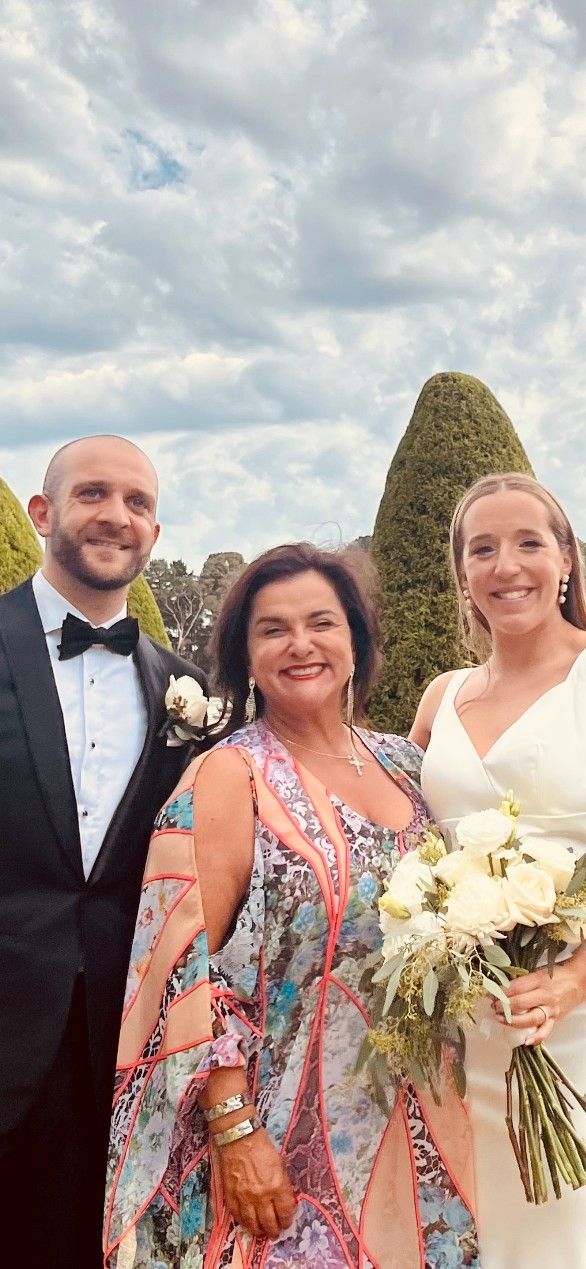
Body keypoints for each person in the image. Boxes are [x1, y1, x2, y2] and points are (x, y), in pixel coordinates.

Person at [105, 542, 479, 1269]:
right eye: (272, 629)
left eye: (321, 622)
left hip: (421, 1133)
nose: (301, 643)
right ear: (245, 654)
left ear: (357, 640)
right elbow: (184, 972)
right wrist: (235, 1129)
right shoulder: (228, 776)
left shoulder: (406, 765)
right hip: (279, 1144)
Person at [0, 435, 207, 1269]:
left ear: (155, 532)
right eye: (92, 494)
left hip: (125, 1048)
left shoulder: (188, 689)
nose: (116, 515)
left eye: (138, 502)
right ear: (41, 512)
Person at [410, 472, 586, 1267]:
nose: (505, 565)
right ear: (462, 575)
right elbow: (403, 842)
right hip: (460, 1034)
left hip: (571, 1023)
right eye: (483, 548)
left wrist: (578, 976)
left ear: (566, 562)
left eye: (528, 542)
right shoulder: (440, 698)